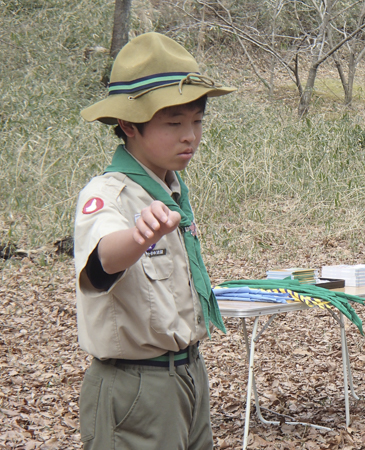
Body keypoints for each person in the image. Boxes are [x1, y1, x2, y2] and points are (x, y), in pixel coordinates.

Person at [74, 32, 235, 449]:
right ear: (129, 125)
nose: (190, 137)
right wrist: (138, 236)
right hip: (136, 386)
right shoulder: (110, 194)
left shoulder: (170, 189)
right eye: (174, 123)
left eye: (197, 121)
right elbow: (102, 259)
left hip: (187, 372)